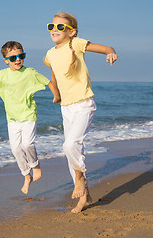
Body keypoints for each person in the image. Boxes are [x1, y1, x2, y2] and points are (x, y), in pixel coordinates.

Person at [43, 12, 118, 213]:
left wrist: (110, 52)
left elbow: (105, 48)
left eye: (60, 27)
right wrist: (56, 94)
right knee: (73, 152)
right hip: (66, 107)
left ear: (71, 32)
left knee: (70, 145)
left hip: (84, 104)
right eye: (52, 26)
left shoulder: (75, 44)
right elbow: (54, 74)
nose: (54, 30)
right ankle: (84, 196)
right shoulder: (50, 53)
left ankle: (80, 181)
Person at [0, 41, 61, 194]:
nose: (18, 60)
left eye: (21, 56)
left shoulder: (30, 73)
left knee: (27, 144)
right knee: (16, 149)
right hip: (12, 119)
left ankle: (35, 166)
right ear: (6, 60)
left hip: (29, 115)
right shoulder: (1, 75)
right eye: (13, 57)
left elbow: (48, 83)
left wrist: (56, 96)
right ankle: (25, 175)